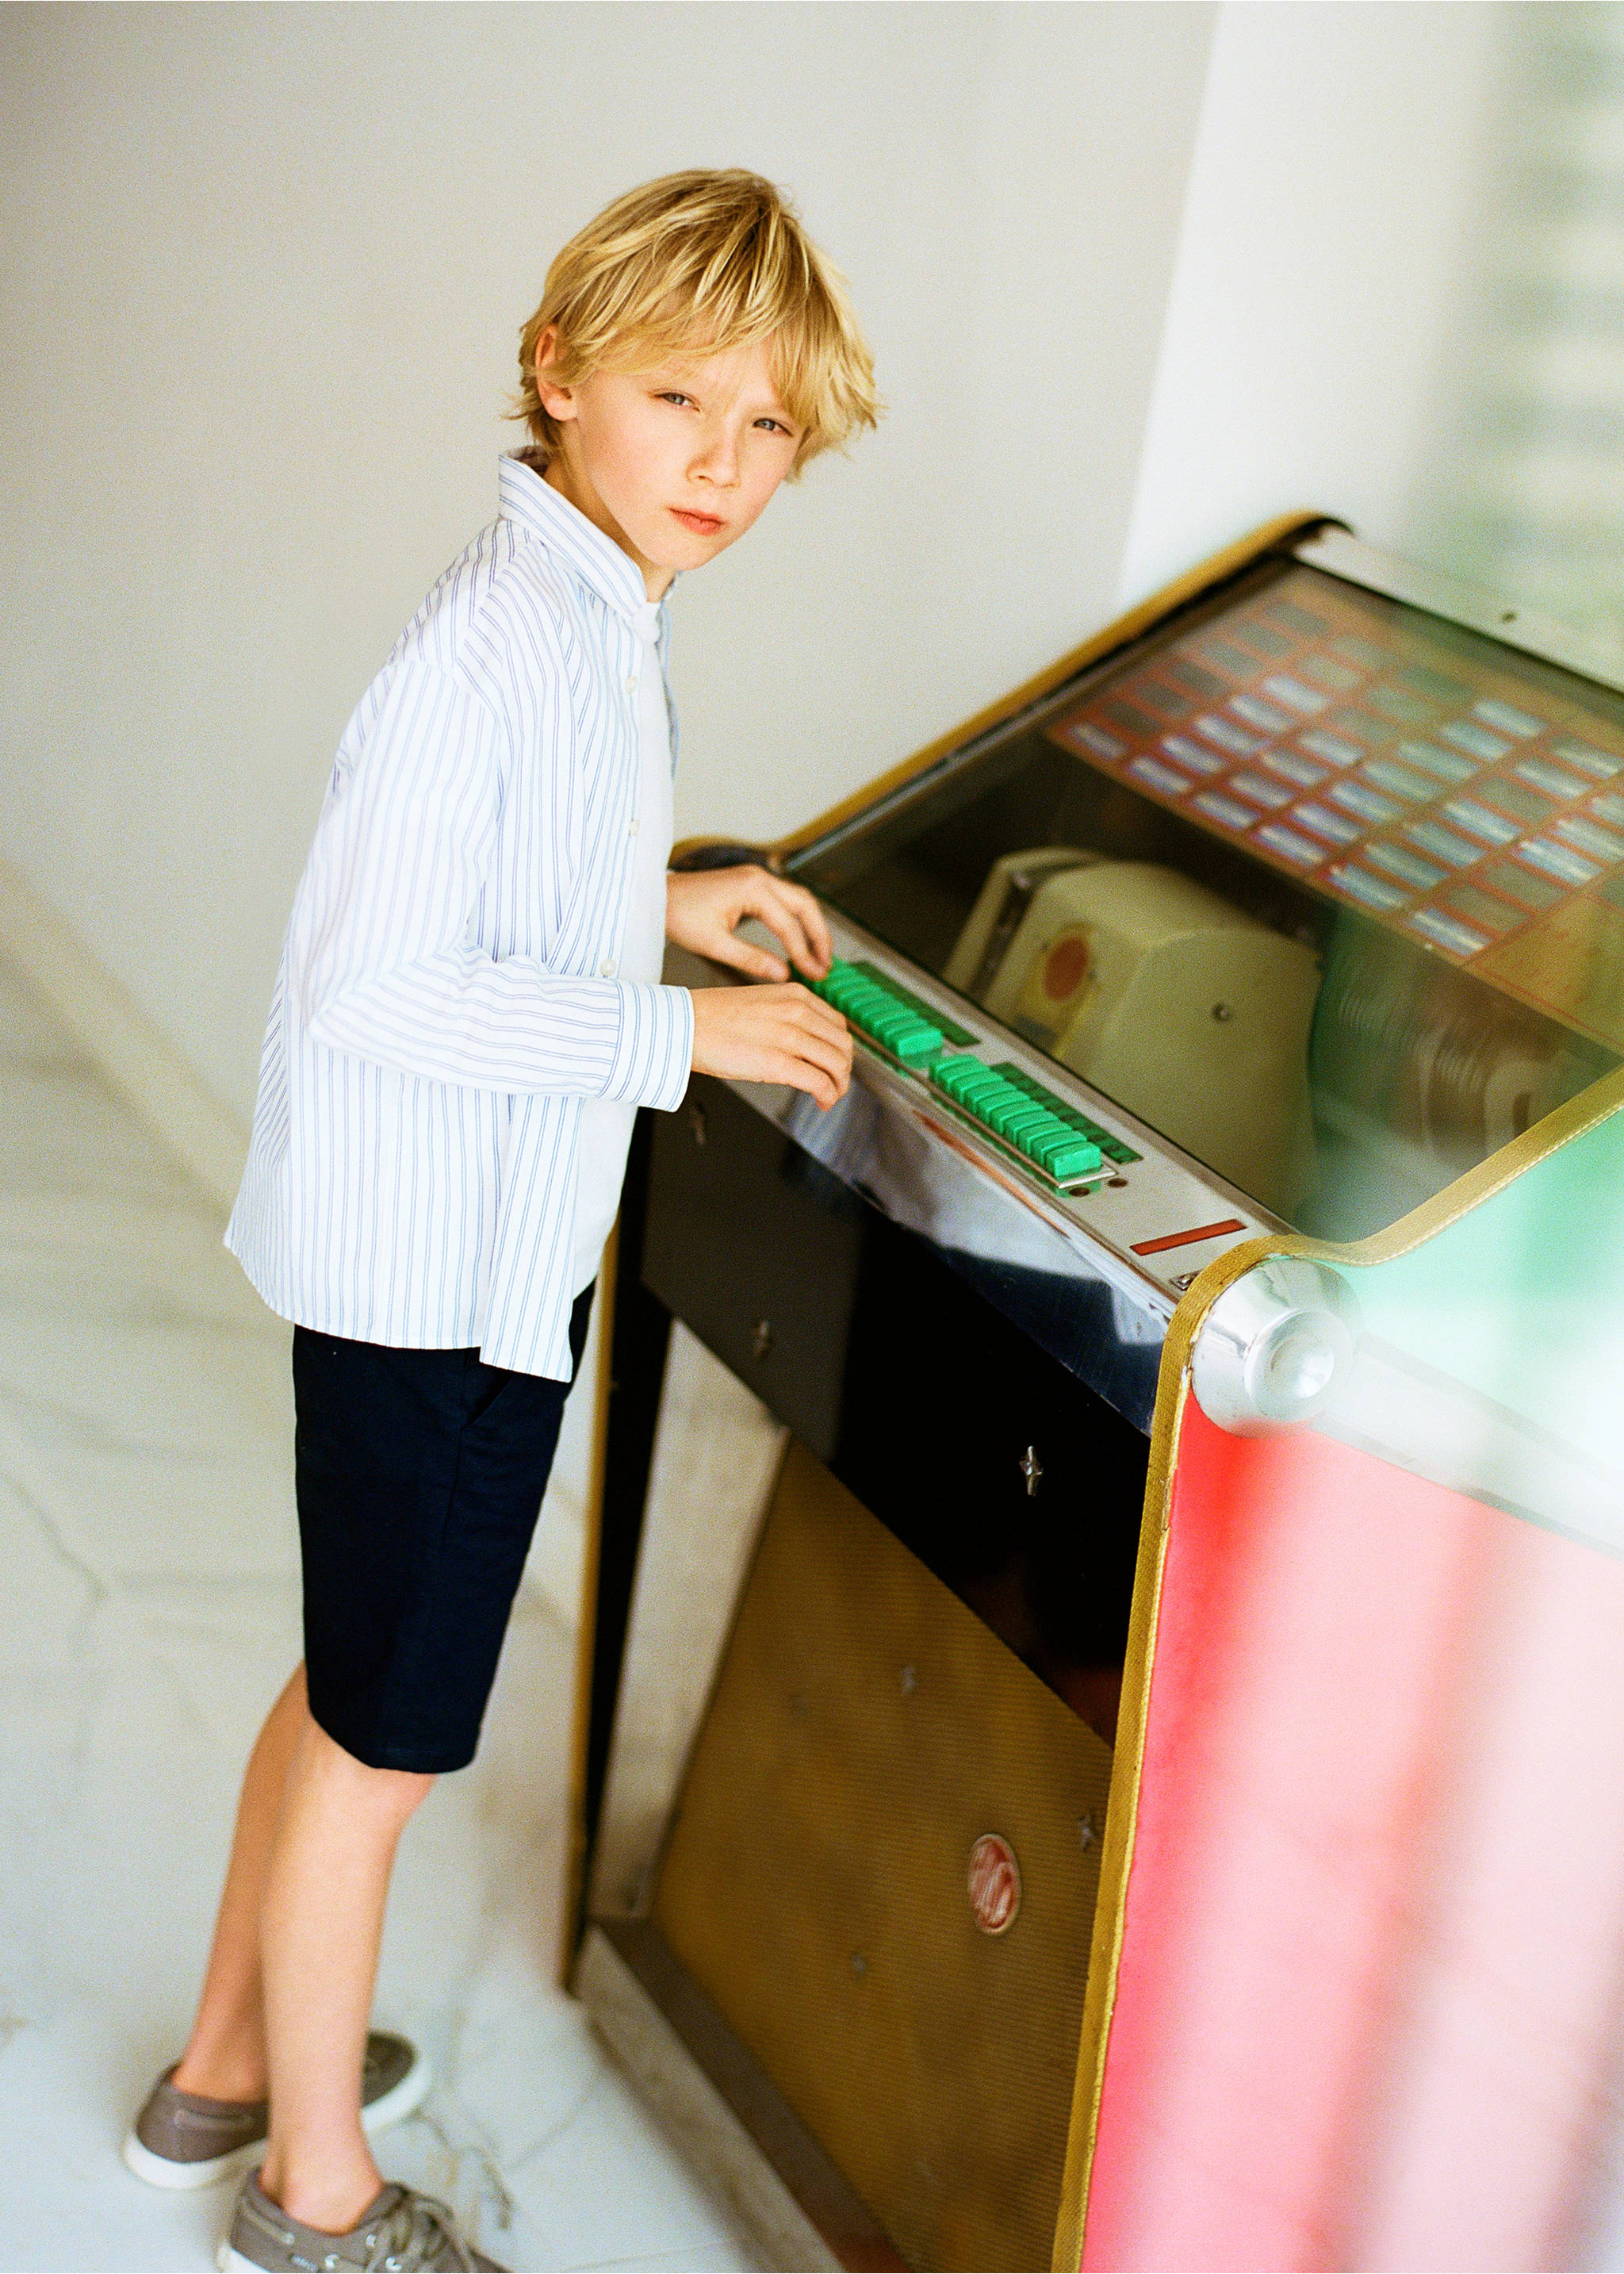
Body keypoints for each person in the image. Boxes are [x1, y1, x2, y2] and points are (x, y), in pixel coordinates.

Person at [123, 167, 877, 2273]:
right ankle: (316, 2195)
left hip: (453, 1268)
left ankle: (221, 2070)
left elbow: (503, 893)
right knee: (381, 1753)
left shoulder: (582, 603)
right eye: (680, 400)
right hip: (438, 1292)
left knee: (342, 1687)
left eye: (771, 425)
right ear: (558, 373)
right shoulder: (496, 646)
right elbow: (376, 984)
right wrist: (678, 1031)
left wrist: (665, 903)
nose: (725, 462)